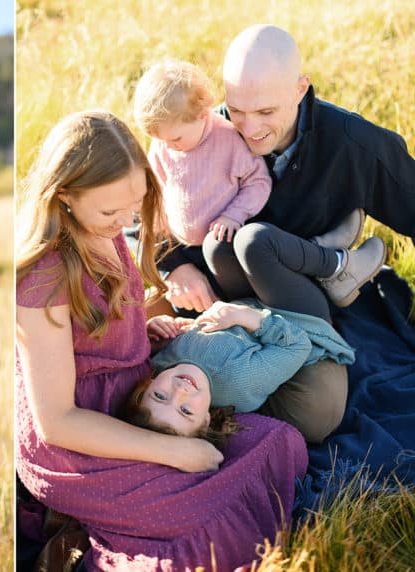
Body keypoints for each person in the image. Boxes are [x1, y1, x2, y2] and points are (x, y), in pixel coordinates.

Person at [16, 109, 307, 571]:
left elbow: (95, 331)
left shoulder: (105, 230)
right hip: (81, 436)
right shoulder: (43, 277)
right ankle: (74, 529)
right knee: (199, 532)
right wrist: (173, 450)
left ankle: (81, 522)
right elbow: (57, 422)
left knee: (273, 443)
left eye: (134, 204)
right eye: (111, 211)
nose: (125, 221)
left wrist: (137, 330)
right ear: (65, 197)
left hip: (136, 394)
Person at [158, 24, 413, 441]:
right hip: (225, 297)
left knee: (318, 414)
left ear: (300, 89)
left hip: (303, 311)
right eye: (236, 108)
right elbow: (144, 211)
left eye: (266, 112)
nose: (249, 127)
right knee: (139, 317)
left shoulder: (353, 144)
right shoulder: (208, 133)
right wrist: (173, 269)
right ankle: (219, 409)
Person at [125, 300, 354, 440]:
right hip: (291, 315)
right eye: (185, 410)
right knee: (255, 246)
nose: (180, 391)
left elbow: (177, 329)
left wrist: (156, 326)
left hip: (229, 300)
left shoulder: (161, 362)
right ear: (205, 421)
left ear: (147, 385)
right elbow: (297, 344)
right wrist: (247, 316)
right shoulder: (239, 379)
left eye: (160, 395)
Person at [133, 59, 271, 246]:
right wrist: (157, 219)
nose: (168, 147)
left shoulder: (229, 140)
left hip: (222, 242)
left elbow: (258, 182)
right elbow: (156, 184)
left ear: (202, 116)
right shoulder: (163, 145)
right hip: (178, 242)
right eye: (161, 140)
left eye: (175, 139)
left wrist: (234, 215)